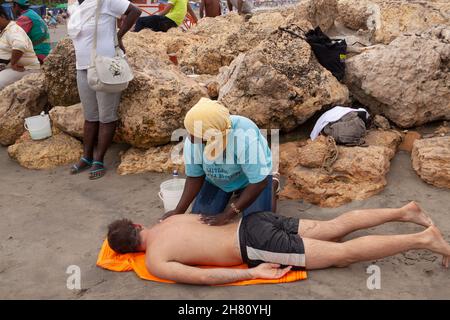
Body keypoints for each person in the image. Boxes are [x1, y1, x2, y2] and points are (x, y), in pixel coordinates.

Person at [106, 202, 450, 285]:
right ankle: (404, 212)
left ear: (128, 254)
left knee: (342, 255)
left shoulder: (154, 261)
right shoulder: (170, 219)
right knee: (335, 226)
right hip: (256, 219)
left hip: (255, 242)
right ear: (138, 225)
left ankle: (425, 239)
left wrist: (252, 274)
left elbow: (206, 278)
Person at [161, 98, 279, 226]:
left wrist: (227, 215)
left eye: (194, 133)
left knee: (260, 226)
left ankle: (272, 184)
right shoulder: (193, 142)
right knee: (200, 220)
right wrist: (178, 211)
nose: (190, 137)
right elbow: (195, 177)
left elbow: (259, 182)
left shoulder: (245, 137)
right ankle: (236, 194)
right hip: (218, 179)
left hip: (252, 180)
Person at [67, 0, 141, 179]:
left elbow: (134, 11)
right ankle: (86, 157)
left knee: (106, 116)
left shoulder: (106, 1)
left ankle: (99, 159)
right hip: (82, 67)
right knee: (90, 116)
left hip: (104, 66)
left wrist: (119, 36)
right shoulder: (74, 5)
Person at [0, 6, 40, 91]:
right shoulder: (4, 31)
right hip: (9, 68)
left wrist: (13, 63)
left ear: (2, 17)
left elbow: (20, 45)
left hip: (26, 69)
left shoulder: (14, 29)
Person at [12, 0, 51, 64]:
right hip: (45, 52)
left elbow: (13, 38)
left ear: (16, 6)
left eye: (12, 6)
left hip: (38, 55)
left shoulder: (24, 18)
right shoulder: (32, 13)